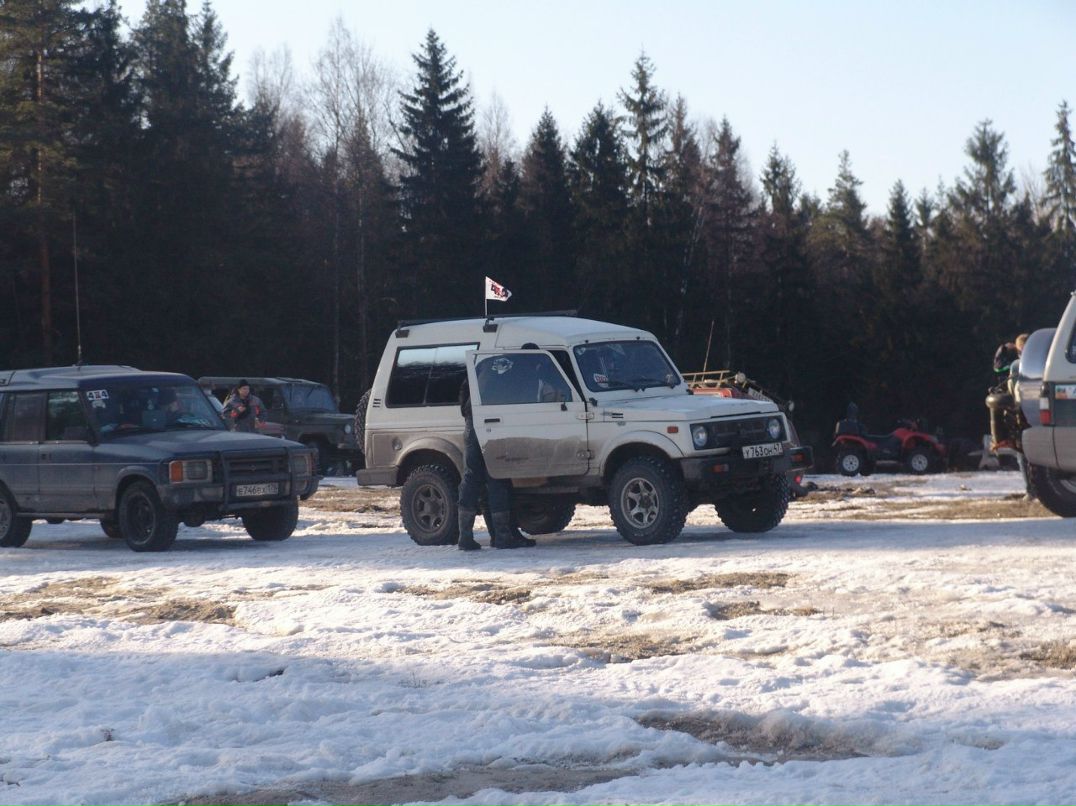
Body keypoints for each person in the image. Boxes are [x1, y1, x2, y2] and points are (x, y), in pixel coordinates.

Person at [456, 377, 532, 551]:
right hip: (493, 424)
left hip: (472, 423)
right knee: (497, 477)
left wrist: (469, 414)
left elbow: (464, 396)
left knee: (471, 478)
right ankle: (503, 536)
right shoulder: (507, 370)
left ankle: (466, 536)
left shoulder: (480, 367)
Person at [989, 334, 1028, 452]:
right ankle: (1000, 440)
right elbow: (998, 368)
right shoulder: (1013, 364)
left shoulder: (1039, 361)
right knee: (996, 398)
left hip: (1028, 402)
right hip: (1016, 407)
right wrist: (1003, 350)